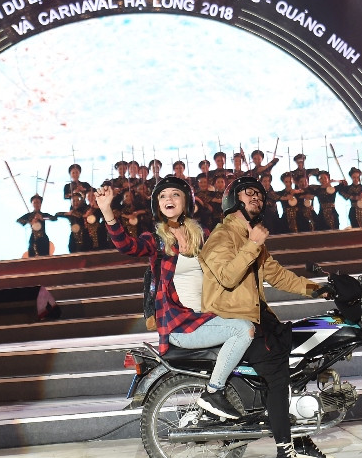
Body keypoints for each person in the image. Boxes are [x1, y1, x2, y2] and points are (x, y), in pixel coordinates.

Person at [198, 176, 336, 458]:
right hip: (235, 320)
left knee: (300, 362)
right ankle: (284, 455)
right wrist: (252, 244)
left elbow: (279, 276)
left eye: (260, 196)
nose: (257, 199)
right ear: (234, 200)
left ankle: (298, 439)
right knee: (277, 375)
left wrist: (317, 289)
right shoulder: (221, 237)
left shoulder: (252, 238)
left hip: (261, 318)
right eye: (249, 194)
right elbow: (227, 278)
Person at [96, 176, 254, 420]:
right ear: (158, 205)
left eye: (175, 194)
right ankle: (214, 392)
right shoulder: (157, 239)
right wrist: (107, 211)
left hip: (208, 316)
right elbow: (127, 246)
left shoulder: (203, 235)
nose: (168, 199)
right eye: (163, 196)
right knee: (243, 330)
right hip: (181, 324)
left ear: (186, 201)